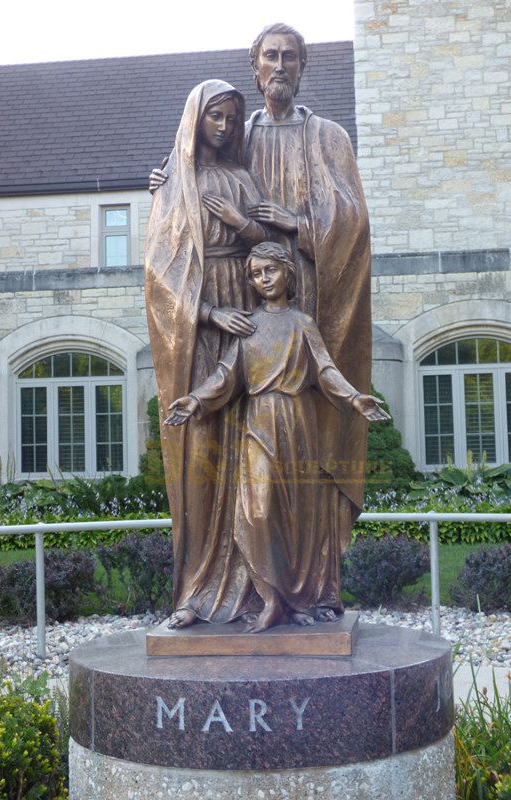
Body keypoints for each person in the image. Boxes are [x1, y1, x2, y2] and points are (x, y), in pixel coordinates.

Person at [150, 26, 373, 617]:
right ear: (254, 66)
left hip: (307, 314)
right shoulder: (233, 135)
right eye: (269, 56)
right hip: (229, 316)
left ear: (303, 67)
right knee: (222, 456)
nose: (279, 66)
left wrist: (299, 225)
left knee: (301, 459)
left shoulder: (327, 137)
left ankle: (309, 591)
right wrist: (164, 185)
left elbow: (352, 223)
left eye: (289, 57)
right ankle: (224, 587)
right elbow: (188, 196)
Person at [165, 243, 389, 632]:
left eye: (269, 270)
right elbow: (226, 374)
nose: (262, 279)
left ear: (288, 273)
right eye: (255, 273)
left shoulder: (302, 323)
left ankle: (293, 599)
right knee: (257, 510)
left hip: (298, 422)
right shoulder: (249, 325)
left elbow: (325, 370)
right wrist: (195, 400)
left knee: (295, 516)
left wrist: (355, 398)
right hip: (259, 423)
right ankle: (269, 599)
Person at [145, 79, 276, 629]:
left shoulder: (242, 177)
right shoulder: (175, 180)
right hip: (201, 330)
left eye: (231, 118)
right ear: (196, 118)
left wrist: (242, 224)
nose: (224, 127)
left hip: (247, 318)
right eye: (215, 117)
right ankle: (195, 591)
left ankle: (254, 588)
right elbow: (159, 274)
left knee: (251, 455)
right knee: (202, 454)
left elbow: (273, 247)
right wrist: (206, 314)